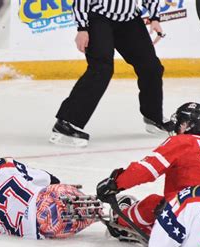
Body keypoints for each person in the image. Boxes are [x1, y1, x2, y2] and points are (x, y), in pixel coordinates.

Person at [50, 0, 171, 147]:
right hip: (98, 18)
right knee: (101, 68)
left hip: (129, 19)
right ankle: (66, 123)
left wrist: (154, 18)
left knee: (151, 66)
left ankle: (153, 117)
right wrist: (82, 28)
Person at [96, 102, 200, 241]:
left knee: (154, 204)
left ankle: (120, 224)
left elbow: (145, 170)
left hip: (187, 214)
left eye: (180, 122)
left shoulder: (181, 141)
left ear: (187, 124)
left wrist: (115, 184)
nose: (177, 125)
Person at [0, 158, 102, 239]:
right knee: (86, 203)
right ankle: (109, 211)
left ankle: (95, 216)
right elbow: (47, 178)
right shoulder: (2, 165)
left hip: (45, 228)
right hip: (47, 198)